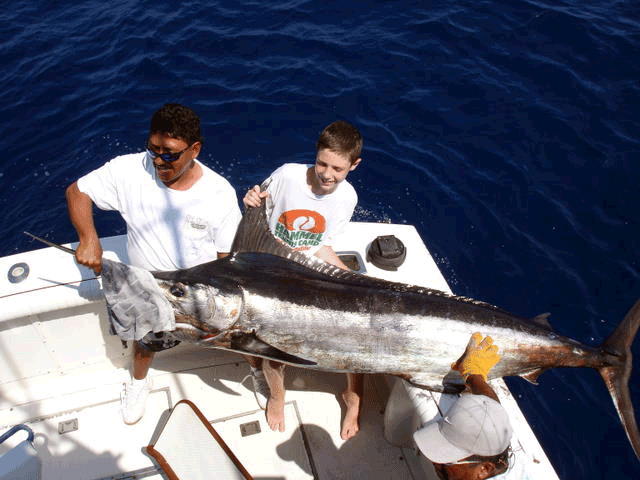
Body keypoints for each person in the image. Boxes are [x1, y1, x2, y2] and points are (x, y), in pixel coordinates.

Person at [66, 103, 242, 425]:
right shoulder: (129, 170)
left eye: (170, 154)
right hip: (149, 287)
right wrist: (89, 237)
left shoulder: (220, 193)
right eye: (153, 150)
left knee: (238, 338)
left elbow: (226, 260)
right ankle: (137, 382)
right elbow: (78, 191)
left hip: (199, 293)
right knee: (145, 343)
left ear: (195, 149)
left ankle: (256, 374)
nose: (159, 161)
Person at [242, 120, 363, 440]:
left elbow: (321, 245)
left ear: (354, 164)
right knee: (273, 350)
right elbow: (255, 204)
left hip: (309, 271)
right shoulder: (286, 175)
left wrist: (349, 277)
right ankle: (278, 396)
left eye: (337, 168)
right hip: (270, 268)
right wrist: (249, 199)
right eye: (322, 163)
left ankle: (353, 398)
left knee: (355, 337)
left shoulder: (347, 198)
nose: (327, 173)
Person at [413, 333, 513, 480]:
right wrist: (474, 374)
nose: (435, 462)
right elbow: (490, 410)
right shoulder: (495, 445)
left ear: (484, 469)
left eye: (448, 459)